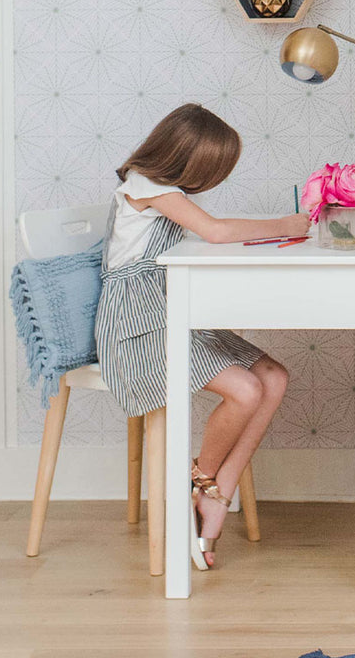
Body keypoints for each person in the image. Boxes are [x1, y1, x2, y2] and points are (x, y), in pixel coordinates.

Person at [94, 103, 310, 570]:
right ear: (185, 159)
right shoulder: (143, 184)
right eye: (211, 170)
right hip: (137, 327)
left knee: (273, 376)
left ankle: (217, 492)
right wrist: (286, 225)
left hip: (173, 310)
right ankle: (205, 483)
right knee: (245, 388)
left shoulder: (163, 189)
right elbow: (213, 232)